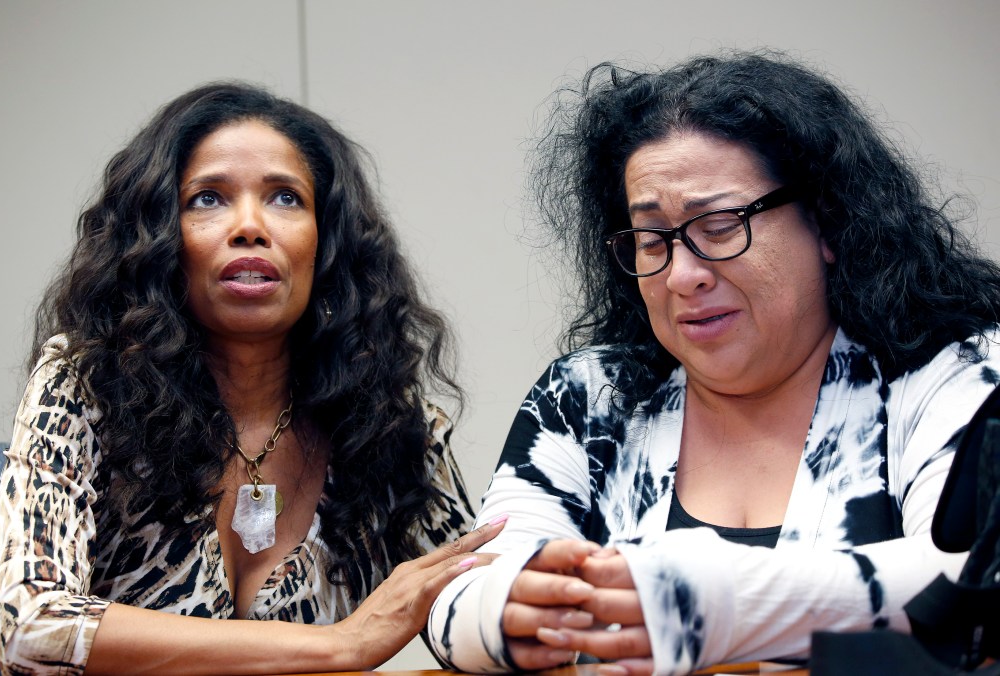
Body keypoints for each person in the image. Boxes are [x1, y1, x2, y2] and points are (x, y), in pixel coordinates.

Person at [427, 51, 1000, 675]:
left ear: (829, 222)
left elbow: (975, 577)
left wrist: (723, 600)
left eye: (721, 226)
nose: (682, 276)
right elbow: (457, 592)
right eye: (652, 240)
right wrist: (512, 608)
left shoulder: (947, 366)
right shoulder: (592, 394)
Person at [0, 82, 504, 674]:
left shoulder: (381, 410)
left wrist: (541, 606)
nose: (250, 226)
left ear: (327, 243)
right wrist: (344, 645)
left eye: (285, 198)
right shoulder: (85, 383)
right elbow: (30, 626)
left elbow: (467, 593)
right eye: (207, 199)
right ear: (158, 240)